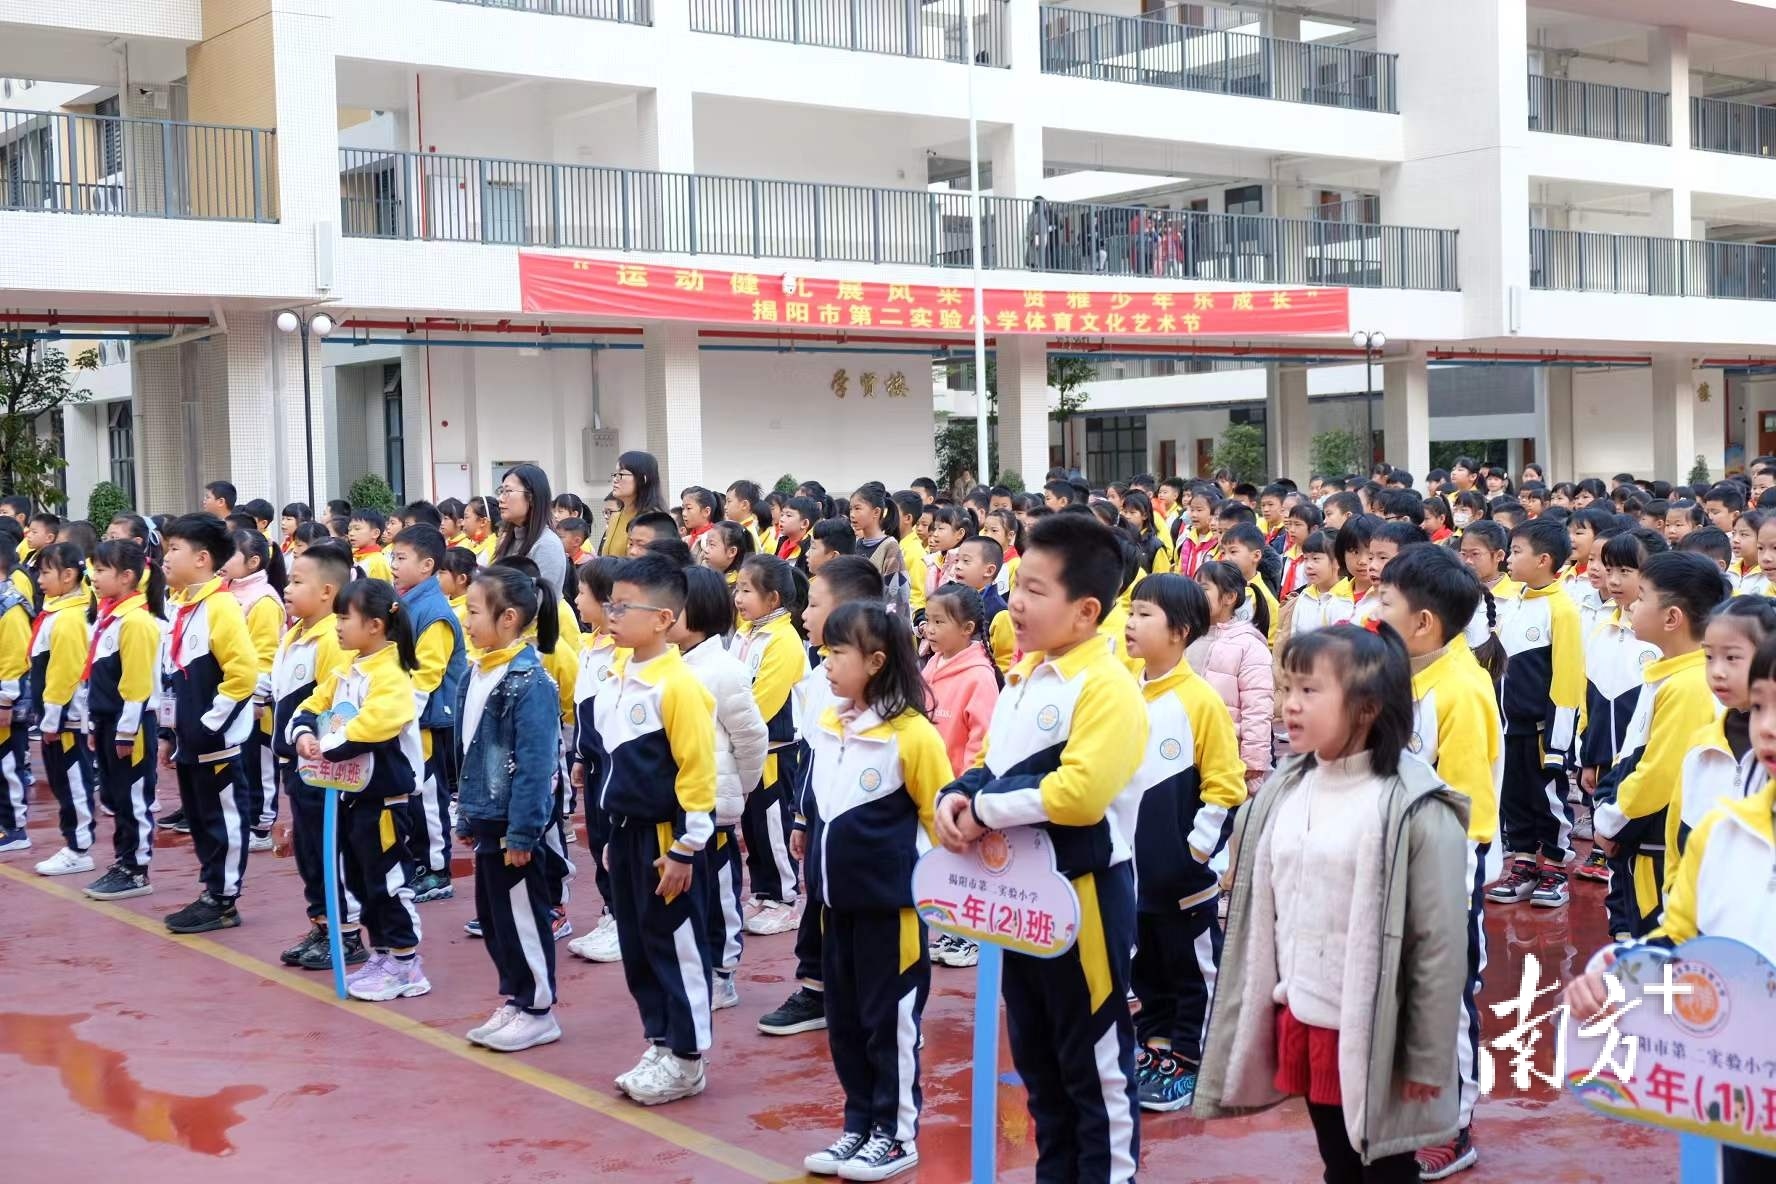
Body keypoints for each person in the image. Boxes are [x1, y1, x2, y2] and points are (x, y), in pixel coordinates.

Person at [1195, 624, 1468, 1182]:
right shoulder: (1286, 787)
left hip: (1379, 1031)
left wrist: (1424, 1055)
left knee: (1385, 1170)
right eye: (1286, 688)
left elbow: (1438, 946)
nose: (1288, 706)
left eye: (1309, 691)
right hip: (1306, 1011)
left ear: (1367, 707)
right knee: (1338, 1164)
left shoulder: (1415, 807)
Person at [934, 514, 1147, 1184]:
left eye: (1032, 589)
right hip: (1021, 897)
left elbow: (1079, 794)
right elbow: (993, 762)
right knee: (1040, 1064)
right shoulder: (1028, 674)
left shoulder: (1105, 687)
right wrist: (957, 794)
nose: (1014, 604)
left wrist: (984, 811)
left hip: (1082, 896)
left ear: (1085, 611)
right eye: (1016, 585)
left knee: (1094, 1067)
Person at [1566, 632, 1776, 1184]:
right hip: (1743, 1090)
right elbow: (1679, 936)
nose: (1769, 726)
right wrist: (1615, 981)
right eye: (1761, 707)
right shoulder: (1724, 833)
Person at [797, 601, 951, 1181]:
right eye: (828, 649)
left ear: (877, 661)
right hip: (836, 909)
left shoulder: (912, 736)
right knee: (846, 1024)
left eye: (839, 652)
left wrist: (938, 898)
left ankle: (895, 1133)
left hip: (894, 914)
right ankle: (858, 1124)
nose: (827, 661)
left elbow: (941, 823)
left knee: (890, 1024)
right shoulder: (833, 724)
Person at [1374, 545, 1502, 1179]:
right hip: (1397, 862)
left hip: (1448, 870)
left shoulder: (1460, 691)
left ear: (1423, 623)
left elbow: (1468, 810)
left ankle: (1454, 1125)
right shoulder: (1405, 678)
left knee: (1443, 998)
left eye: (1385, 602)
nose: (1373, 611)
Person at [594, 555, 718, 1106]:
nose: (611, 614)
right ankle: (661, 1040)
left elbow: (697, 773)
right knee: (639, 945)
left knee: (675, 946)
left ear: (664, 618)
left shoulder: (678, 686)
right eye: (610, 603)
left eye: (624, 606)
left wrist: (686, 849)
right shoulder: (620, 674)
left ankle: (688, 1058)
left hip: (667, 838)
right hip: (625, 832)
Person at [1122, 573, 1245, 1113]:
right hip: (1129, 870)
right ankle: (1156, 1045)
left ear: (1181, 630)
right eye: (1130, 611)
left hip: (1182, 877)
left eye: (1144, 614)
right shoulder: (1123, 690)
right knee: (1144, 963)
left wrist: (1194, 854)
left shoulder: (1200, 701)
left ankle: (1193, 1059)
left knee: (1192, 967)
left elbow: (1226, 786)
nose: (1129, 623)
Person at [761, 556, 885, 1038]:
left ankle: (853, 995)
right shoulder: (820, 677)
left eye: (814, 605)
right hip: (820, 812)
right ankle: (817, 988)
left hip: (860, 822)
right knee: (819, 897)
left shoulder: (875, 684)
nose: (804, 615)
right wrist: (801, 816)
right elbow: (813, 754)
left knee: (854, 909)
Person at [291, 579, 430, 1002]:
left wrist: (326, 747)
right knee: (360, 876)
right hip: (353, 793)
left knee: (388, 879)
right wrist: (302, 732)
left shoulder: (391, 675)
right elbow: (314, 703)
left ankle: (407, 962)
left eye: (343, 618)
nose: (337, 626)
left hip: (385, 798)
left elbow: (373, 726)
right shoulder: (348, 669)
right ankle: (383, 952)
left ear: (373, 625)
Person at [456, 565, 569, 1052]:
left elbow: (536, 765)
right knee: (495, 917)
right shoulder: (478, 671)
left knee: (523, 917)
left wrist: (524, 832)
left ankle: (539, 1008)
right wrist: (466, 814)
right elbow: (468, 753)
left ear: (509, 619)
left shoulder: (530, 682)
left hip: (513, 827)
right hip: (487, 820)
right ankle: (516, 997)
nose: (466, 620)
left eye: (474, 612)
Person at [1589, 552, 1728, 936]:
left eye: (1643, 596)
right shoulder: (1670, 675)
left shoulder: (1688, 686)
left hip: (1657, 845)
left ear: (1672, 618)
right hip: (1646, 837)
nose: (1632, 603)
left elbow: (1658, 776)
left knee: (1653, 940)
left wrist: (1609, 824)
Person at [672, 566, 768, 1011]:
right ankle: (696, 966)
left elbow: (752, 739)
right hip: (681, 804)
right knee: (689, 895)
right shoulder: (671, 664)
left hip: (717, 809)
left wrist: (738, 793)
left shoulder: (723, 670)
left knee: (720, 895)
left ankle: (723, 972)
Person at [160, 513, 260, 933]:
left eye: (174, 550)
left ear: (202, 559)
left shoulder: (221, 607)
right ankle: (210, 889)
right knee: (200, 819)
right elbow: (172, 671)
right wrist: (170, 731)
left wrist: (209, 724)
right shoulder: (183, 604)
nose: (164, 558)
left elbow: (242, 675)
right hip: (189, 737)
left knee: (224, 820)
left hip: (214, 740)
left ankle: (224, 899)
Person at [270, 542, 365, 972]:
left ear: (328, 591)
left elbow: (334, 708)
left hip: (319, 765)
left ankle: (345, 934)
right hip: (294, 761)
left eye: (296, 581)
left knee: (330, 849)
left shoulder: (332, 640)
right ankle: (322, 923)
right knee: (308, 850)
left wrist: (319, 757)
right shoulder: (296, 633)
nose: (287, 589)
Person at [1487, 520, 1585, 910]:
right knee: (1512, 797)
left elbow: (1567, 679)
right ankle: (1525, 863)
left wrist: (1559, 743)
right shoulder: (1511, 600)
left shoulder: (1562, 610)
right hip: (1505, 725)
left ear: (1544, 560)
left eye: (1516, 552)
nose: (1509, 559)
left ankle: (1555, 868)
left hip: (1540, 729)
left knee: (1547, 799)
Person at [1574, 528, 1666, 894]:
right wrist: (1590, 758)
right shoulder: (1602, 629)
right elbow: (1592, 700)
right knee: (1619, 881)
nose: (1613, 579)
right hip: (1606, 766)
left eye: (1626, 571)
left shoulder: (1659, 635)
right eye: (1609, 569)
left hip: (1643, 766)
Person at [77, 540, 166, 900]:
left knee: (133, 795)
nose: (93, 577)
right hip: (108, 720)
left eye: (101, 571)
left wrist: (126, 732)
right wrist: (95, 725)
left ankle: (137, 868)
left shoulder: (136, 622)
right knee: (115, 794)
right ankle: (123, 859)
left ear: (127, 577)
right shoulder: (109, 617)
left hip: (129, 725)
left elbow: (137, 685)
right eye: (93, 569)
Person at [1665, 598, 1776, 877]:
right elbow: (1676, 836)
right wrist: (1673, 895)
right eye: (1709, 657)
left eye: (1732, 657)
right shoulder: (1702, 742)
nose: (1717, 672)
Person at [733, 554, 809, 936]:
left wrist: (732, 730)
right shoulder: (747, 632)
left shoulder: (784, 639)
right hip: (749, 745)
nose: (738, 597)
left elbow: (764, 700)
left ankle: (786, 897)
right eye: (738, 588)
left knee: (773, 824)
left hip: (776, 749)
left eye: (747, 590)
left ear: (773, 599)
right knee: (752, 825)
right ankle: (763, 892)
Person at [565, 555, 628, 964]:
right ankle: (610, 912)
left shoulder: (621, 653)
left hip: (614, 762)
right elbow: (580, 708)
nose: (575, 598)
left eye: (582, 593)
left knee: (615, 842)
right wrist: (578, 757)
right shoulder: (590, 646)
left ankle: (624, 919)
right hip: (592, 760)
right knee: (598, 840)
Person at [26, 543, 98, 878]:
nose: (39, 579)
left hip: (66, 719)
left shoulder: (68, 619)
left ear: (68, 576)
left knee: (73, 782)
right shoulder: (59, 612)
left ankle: (79, 847)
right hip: (56, 717)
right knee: (62, 781)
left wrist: (52, 720)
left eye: (45, 572)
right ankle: (73, 842)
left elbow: (64, 674)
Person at [222, 529, 283, 853]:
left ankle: (261, 823)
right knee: (240, 761)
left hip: (257, 700)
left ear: (253, 561)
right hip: (233, 694)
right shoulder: (229, 591)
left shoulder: (263, 600)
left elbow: (265, 656)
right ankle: (247, 817)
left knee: (259, 762)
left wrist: (258, 697)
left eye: (230, 554)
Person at [1191, 561, 1275, 795]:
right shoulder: (1187, 635)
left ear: (1228, 597)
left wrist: (1253, 762)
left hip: (1228, 754)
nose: (1195, 593)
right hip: (1188, 750)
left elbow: (1257, 708)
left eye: (1204, 588)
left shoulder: (1248, 645)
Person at [921, 583, 998, 787]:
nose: (929, 629)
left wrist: (962, 789)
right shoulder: (933, 662)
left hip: (951, 786)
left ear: (967, 628)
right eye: (928, 620)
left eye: (939, 622)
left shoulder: (979, 677)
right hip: (923, 780)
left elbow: (980, 743)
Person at [493, 464, 568, 594]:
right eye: (501, 491)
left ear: (531, 497)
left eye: (508, 491)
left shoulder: (546, 545)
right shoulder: (510, 539)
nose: (500, 498)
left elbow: (539, 603)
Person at [0, 539, 31, 853]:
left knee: (7, 764)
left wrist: (6, 699)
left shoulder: (9, 605)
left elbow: (14, 657)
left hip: (6, 702)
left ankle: (15, 827)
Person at [462, 495, 498, 565]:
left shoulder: (493, 550)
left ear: (483, 522)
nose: (462, 523)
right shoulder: (469, 544)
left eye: (466, 517)